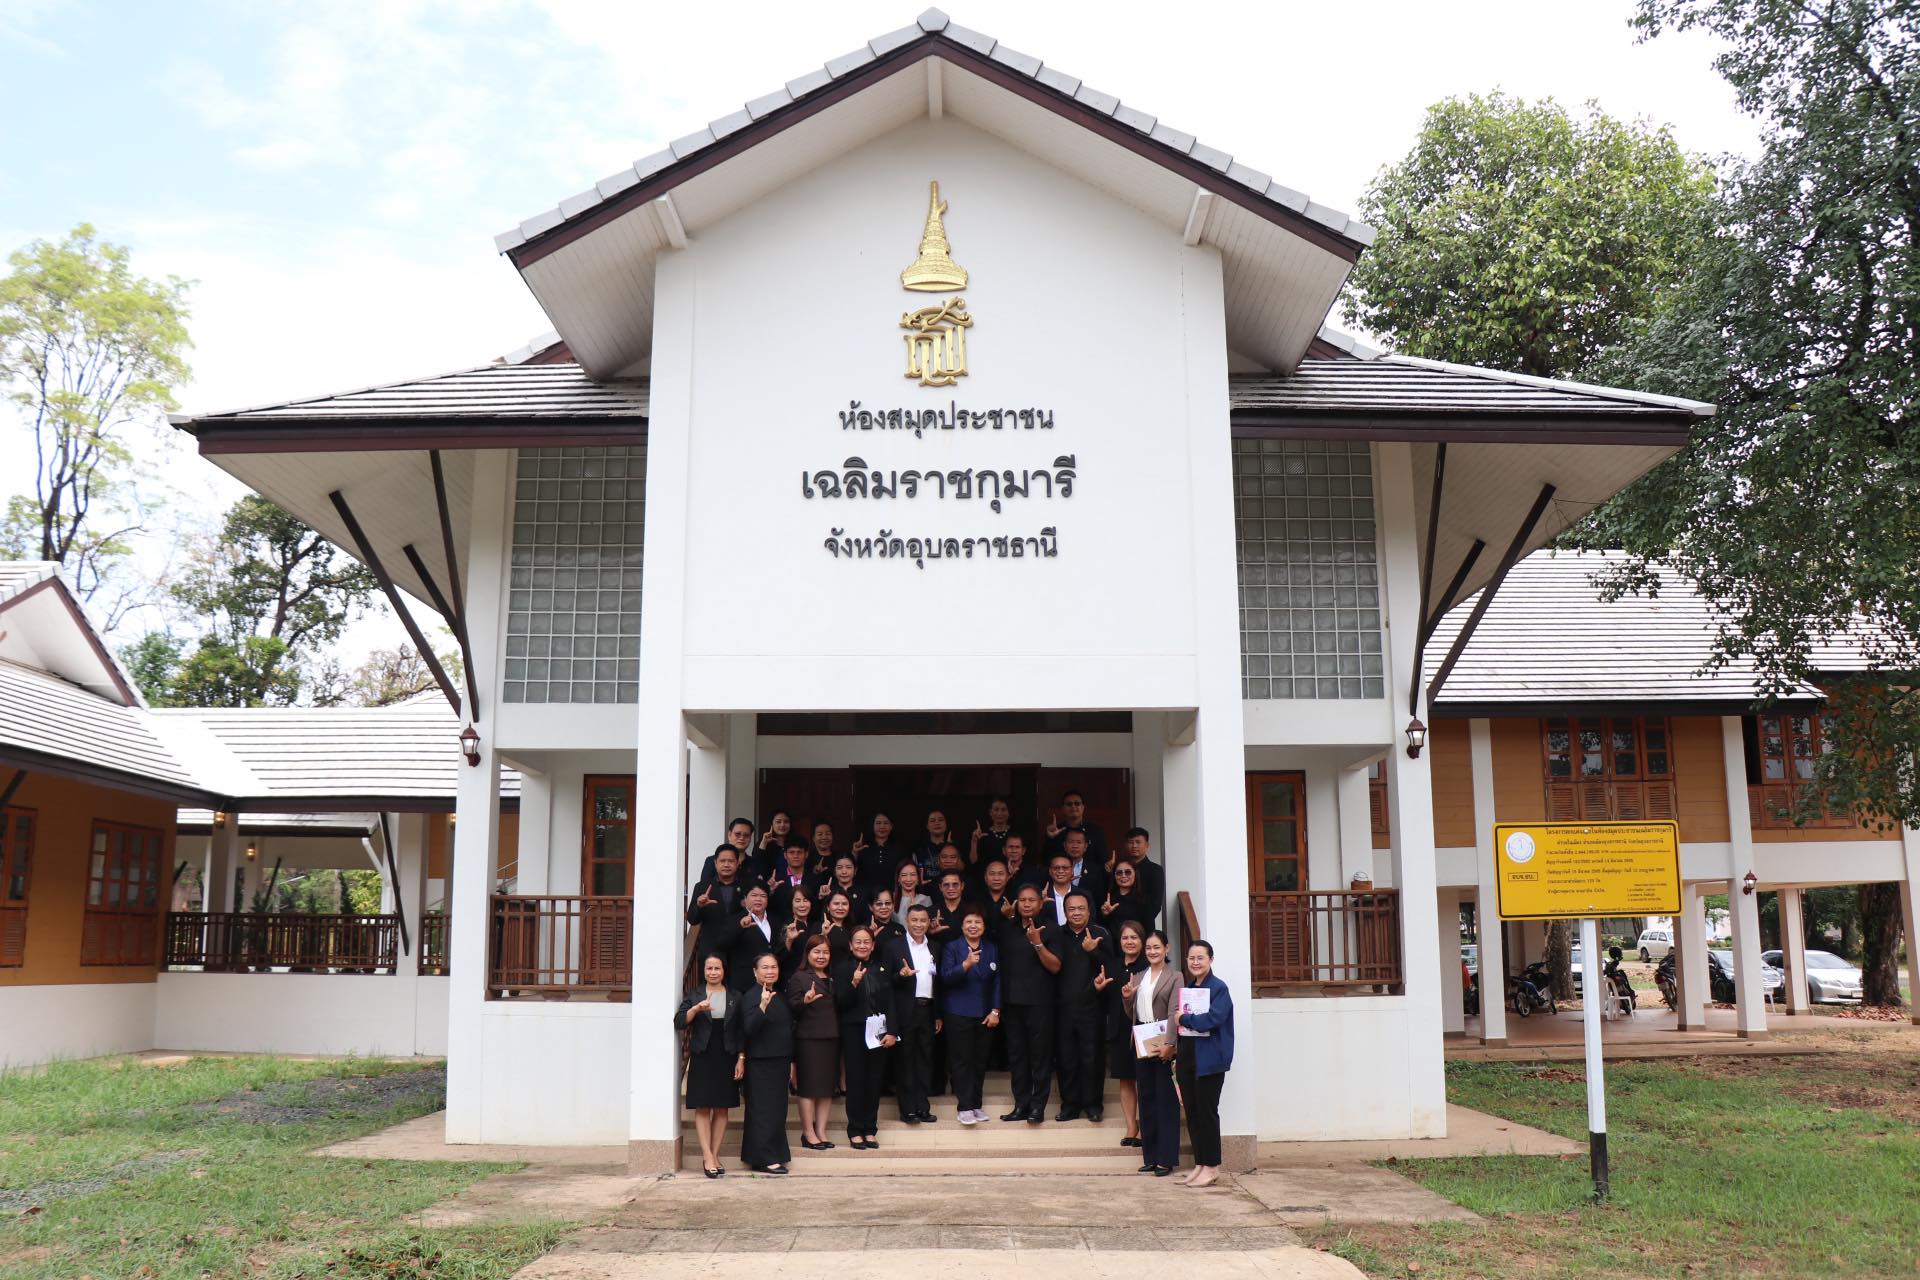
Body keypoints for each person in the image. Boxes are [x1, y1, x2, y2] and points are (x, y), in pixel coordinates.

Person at [998, 884, 1063, 1123]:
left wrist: (1037, 943)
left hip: (1040, 1003)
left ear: (1041, 903)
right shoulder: (1008, 928)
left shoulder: (1051, 929)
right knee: (1017, 1057)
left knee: (1040, 1057)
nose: (1026, 904)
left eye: (1031, 900)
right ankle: (1021, 1105)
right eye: (1022, 900)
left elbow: (1055, 966)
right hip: (1012, 1002)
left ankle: (1038, 1108)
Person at [1174, 938, 1236, 1187]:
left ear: (1211, 960)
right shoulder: (1190, 989)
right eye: (1191, 958)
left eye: (1200, 958)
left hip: (1209, 1061)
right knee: (1193, 1113)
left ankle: (1212, 1167)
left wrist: (1184, 1019)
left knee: (1207, 1113)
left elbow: (1213, 1019)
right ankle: (1200, 1163)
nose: (1195, 962)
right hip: (1189, 1058)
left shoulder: (1219, 988)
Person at [834, 926, 897, 1150]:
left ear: (873, 945)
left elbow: (891, 1002)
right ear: (850, 946)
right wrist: (854, 983)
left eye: (866, 942)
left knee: (874, 1080)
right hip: (854, 1030)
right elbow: (840, 1003)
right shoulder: (842, 968)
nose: (862, 945)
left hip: (878, 1030)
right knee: (856, 1081)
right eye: (858, 942)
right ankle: (855, 1130)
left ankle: (870, 1129)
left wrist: (892, 1031)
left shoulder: (882, 968)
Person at [1054, 890, 1114, 1122]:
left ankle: (1093, 1105)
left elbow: (1113, 966)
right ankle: (1070, 1105)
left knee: (1092, 1058)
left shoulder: (1101, 933)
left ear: (1089, 911)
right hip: (1062, 1008)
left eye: (1081, 908)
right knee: (1066, 1059)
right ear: (1065, 912)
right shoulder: (1057, 934)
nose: (1076, 913)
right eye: (1071, 909)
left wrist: (1093, 952)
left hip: (1093, 1007)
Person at [731, 952, 793, 1174]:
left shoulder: (779, 995)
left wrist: (791, 1061)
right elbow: (748, 1029)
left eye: (773, 967)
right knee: (762, 1111)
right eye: (765, 967)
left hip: (780, 1060)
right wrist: (762, 1007)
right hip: (760, 1062)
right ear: (755, 971)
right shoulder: (751, 996)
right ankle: (765, 1158)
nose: (770, 971)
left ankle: (766, 1156)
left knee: (777, 1111)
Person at [939, 907, 1002, 1125]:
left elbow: (997, 981)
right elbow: (945, 977)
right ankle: (964, 1106)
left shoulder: (991, 948)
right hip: (958, 1011)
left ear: (984, 926)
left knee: (979, 1060)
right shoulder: (952, 947)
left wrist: (995, 1010)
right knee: (962, 1060)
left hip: (985, 1013)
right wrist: (965, 965)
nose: (973, 926)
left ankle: (976, 1104)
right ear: (962, 925)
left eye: (978, 922)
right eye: (969, 922)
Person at [677, 953, 738, 1178]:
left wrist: (741, 1058)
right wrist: (696, 1009)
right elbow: (679, 1021)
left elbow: (741, 1030)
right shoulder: (695, 994)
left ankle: (715, 1153)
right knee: (703, 1107)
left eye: (717, 968)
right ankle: (707, 1155)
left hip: (727, 1055)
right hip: (703, 1055)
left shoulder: (735, 996)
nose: (713, 972)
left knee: (722, 1108)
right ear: (704, 971)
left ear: (724, 971)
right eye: (709, 968)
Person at [882, 903, 940, 1124]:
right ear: (906, 921)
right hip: (905, 1010)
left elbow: (938, 983)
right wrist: (901, 975)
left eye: (923, 920)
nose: (918, 924)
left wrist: (938, 1014)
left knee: (925, 1059)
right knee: (905, 1060)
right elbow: (885, 982)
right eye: (914, 920)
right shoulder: (893, 946)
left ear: (929, 923)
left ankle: (922, 1107)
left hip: (928, 1009)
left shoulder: (935, 947)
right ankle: (908, 1109)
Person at [1130, 929, 1180, 1176]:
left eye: (1157, 947)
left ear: (1166, 949)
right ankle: (1150, 1156)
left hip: (1163, 1041)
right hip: (1142, 1040)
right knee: (1147, 1099)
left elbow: (1174, 1011)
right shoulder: (1138, 977)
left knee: (1166, 1101)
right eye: (1149, 948)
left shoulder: (1175, 976)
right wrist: (1126, 997)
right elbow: (1131, 1011)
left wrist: (1170, 1043)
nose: (1152, 951)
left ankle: (1166, 1158)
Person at [786, 936, 838, 1151]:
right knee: (808, 1087)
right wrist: (804, 1002)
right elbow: (791, 1008)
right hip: (808, 1039)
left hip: (831, 1037)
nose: (821, 956)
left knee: (826, 1088)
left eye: (825, 952)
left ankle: (821, 1131)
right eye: (816, 952)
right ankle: (808, 1133)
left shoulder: (833, 977)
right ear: (807, 954)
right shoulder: (799, 977)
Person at [1108, 919, 1151, 1147]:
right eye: (1125, 937)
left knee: (1144, 1079)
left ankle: (1145, 1128)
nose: (1129, 941)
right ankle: (1131, 1127)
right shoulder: (1113, 966)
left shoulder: (1149, 966)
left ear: (1142, 941)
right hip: (1119, 1029)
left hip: (1143, 1028)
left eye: (1134, 937)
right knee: (1125, 1079)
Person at [687, 845, 748, 960]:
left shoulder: (747, 886)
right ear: (715, 863)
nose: (726, 864)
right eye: (722, 861)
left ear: (738, 863)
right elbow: (692, 919)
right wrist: (699, 906)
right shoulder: (702, 887)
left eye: (730, 861)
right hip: (711, 951)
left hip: (740, 950)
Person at [720, 884, 778, 990]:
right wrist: (740, 927)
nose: (758, 899)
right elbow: (722, 944)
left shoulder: (775, 920)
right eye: (754, 895)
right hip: (744, 982)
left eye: (763, 896)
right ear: (745, 898)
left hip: (771, 982)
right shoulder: (734, 919)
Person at [1111, 827, 1166, 927]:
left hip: (1143, 925)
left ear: (1147, 845)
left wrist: (1140, 922)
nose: (1134, 846)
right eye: (1131, 842)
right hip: (1118, 923)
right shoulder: (1119, 868)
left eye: (1138, 842)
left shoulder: (1155, 870)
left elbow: (1156, 904)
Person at [1044, 789, 1109, 866]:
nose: (1073, 806)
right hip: (1061, 872)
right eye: (1069, 804)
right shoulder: (1056, 830)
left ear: (1083, 807)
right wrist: (1050, 838)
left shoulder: (1096, 831)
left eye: (1077, 803)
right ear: (1063, 808)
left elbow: (1103, 861)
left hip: (1089, 873)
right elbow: (1045, 860)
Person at [854, 812, 910, 892]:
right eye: (878, 823)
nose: (882, 826)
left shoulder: (900, 849)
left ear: (891, 826)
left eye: (886, 823)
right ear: (873, 826)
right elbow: (853, 870)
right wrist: (855, 853)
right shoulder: (864, 848)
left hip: (892, 895)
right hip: (867, 895)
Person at [1100, 859, 1157, 937]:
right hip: (1113, 943)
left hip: (1137, 943)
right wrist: (1105, 915)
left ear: (1135, 874)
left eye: (1128, 872)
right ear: (1114, 876)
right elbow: (1102, 930)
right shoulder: (1108, 899)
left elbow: (1150, 930)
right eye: (1119, 873)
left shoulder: (1144, 900)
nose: (1123, 876)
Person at [698, 818, 761, 884]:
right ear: (729, 835)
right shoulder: (712, 861)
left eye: (746, 835)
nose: (742, 838)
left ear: (750, 838)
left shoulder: (755, 863)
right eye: (738, 834)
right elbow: (703, 887)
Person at [774, 887, 816, 980]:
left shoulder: (815, 924)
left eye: (805, 900)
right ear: (791, 903)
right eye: (797, 901)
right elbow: (778, 958)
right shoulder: (787, 925)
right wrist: (789, 940)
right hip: (793, 978)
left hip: (814, 978)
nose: (802, 905)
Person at [967, 796, 1017, 869]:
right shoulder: (982, 834)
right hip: (987, 874)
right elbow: (973, 861)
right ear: (990, 812)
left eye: (1003, 810)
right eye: (996, 810)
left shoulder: (1015, 833)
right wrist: (974, 841)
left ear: (1008, 812)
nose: (999, 813)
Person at [819, 889, 858, 965]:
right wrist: (823, 935)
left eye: (844, 904)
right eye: (836, 904)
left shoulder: (854, 929)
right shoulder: (819, 927)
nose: (840, 908)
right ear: (828, 907)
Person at [913, 810, 953, 880]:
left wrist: (950, 847)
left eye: (940, 820)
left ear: (946, 825)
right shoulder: (920, 850)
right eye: (932, 821)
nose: (937, 823)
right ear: (927, 826)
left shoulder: (954, 848)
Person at [930, 869, 968, 942]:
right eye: (946, 885)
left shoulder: (971, 911)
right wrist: (929, 931)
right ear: (940, 887)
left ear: (962, 886)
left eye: (955, 884)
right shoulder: (931, 912)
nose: (951, 888)